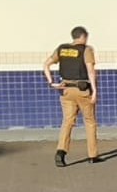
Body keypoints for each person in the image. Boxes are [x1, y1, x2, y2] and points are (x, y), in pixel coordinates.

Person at [43, 26, 100, 167]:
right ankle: (92, 155)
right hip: (82, 90)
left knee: (68, 121)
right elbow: (91, 71)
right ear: (83, 37)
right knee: (90, 121)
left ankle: (61, 152)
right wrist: (94, 90)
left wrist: (52, 83)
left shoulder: (62, 49)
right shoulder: (86, 50)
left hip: (66, 90)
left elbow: (46, 64)